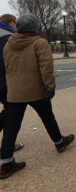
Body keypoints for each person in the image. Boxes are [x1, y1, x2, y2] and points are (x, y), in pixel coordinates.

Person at [0, 13, 74, 179]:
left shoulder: (8, 44)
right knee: (48, 118)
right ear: (35, 27)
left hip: (14, 92)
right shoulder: (39, 43)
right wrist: (50, 87)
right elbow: (46, 68)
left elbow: (7, 68)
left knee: (11, 128)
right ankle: (59, 143)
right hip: (36, 91)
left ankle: (5, 163)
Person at [0, 14, 24, 152]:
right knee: (13, 115)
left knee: (8, 111)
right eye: (15, 24)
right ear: (11, 24)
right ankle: (7, 149)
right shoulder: (8, 39)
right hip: (5, 82)